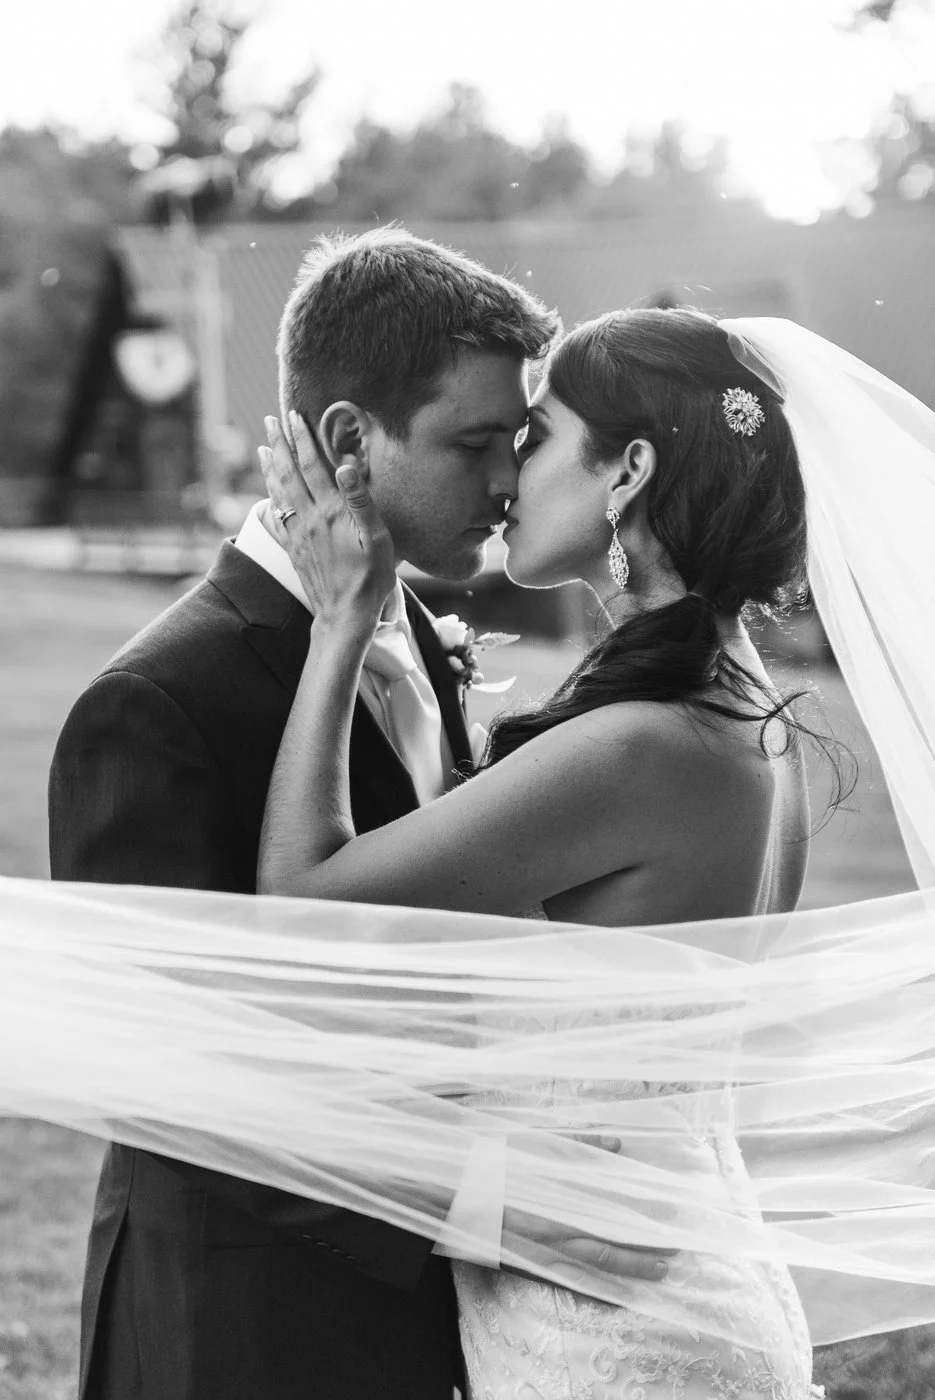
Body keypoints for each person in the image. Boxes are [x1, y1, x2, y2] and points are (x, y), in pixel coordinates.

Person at [47, 228, 670, 1400]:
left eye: (519, 441)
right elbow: (181, 1080)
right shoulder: (154, 704)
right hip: (238, 1332)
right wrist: (491, 1197)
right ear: (349, 441)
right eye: (476, 441)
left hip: (429, 1327)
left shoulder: (407, 634)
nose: (506, 481)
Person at [253, 305, 824, 1399]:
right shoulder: (745, 715)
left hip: (613, 1333)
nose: (511, 469)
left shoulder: (642, 743)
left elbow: (302, 903)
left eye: (541, 431)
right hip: (663, 1277)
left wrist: (342, 622)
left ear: (626, 473)